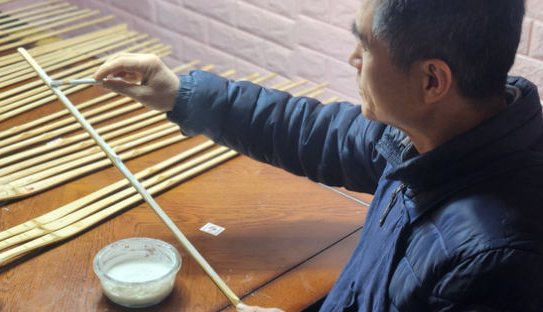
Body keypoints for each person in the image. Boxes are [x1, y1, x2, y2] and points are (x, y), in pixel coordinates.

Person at [95, 0, 543, 311]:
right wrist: (181, 95)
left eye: (365, 45)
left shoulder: (497, 260)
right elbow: (313, 132)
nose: (352, 57)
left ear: (432, 81)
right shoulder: (433, 136)